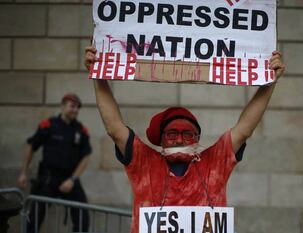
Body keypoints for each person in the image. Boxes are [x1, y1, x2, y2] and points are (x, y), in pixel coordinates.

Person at [84, 46, 285, 233]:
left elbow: (244, 129)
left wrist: (269, 82)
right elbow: (114, 129)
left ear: (197, 138)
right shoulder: (143, 162)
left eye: (187, 134)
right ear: (161, 140)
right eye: (172, 134)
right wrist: (98, 75)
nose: (180, 139)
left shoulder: (215, 162)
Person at [17, 93, 92, 233]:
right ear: (62, 106)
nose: (75, 110)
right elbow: (31, 145)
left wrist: (73, 179)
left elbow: (86, 156)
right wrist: (23, 173)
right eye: (72, 106)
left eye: (77, 107)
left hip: (69, 179)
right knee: (34, 219)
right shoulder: (48, 124)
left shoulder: (81, 130)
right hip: (48, 178)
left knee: (83, 219)